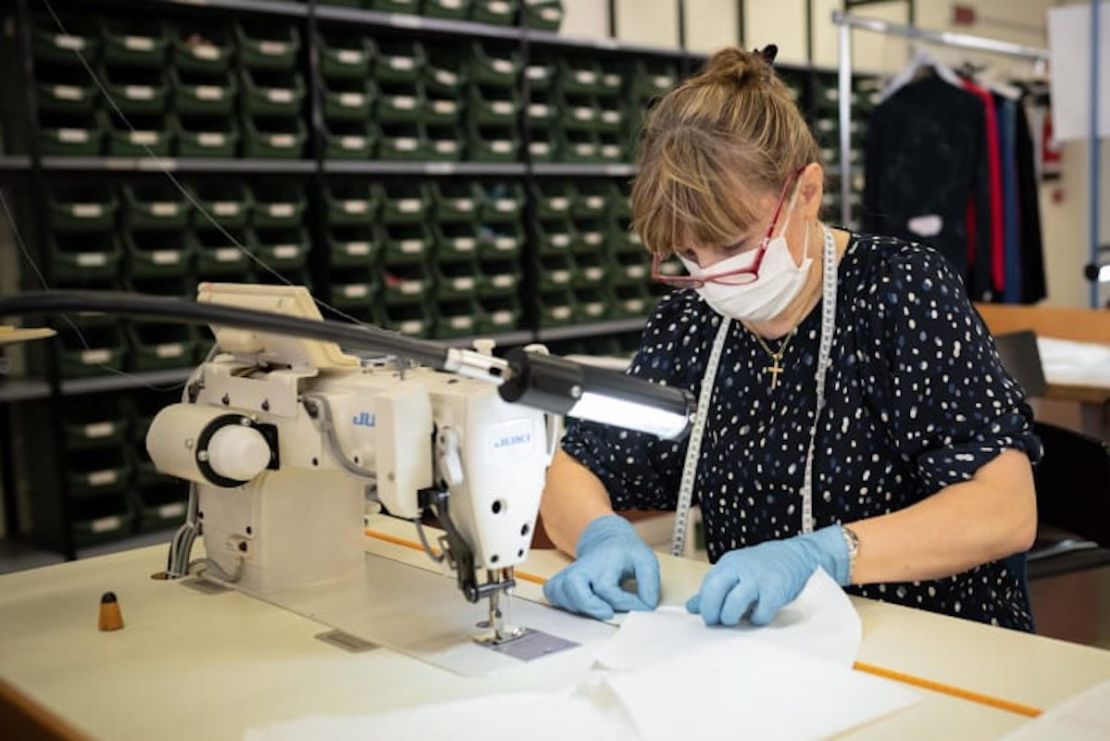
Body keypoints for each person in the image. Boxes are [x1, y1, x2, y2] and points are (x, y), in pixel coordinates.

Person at [539, 46, 1042, 632]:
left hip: (932, 640)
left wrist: (823, 554)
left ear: (806, 192)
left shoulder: (901, 292)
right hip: (771, 650)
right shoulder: (692, 324)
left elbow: (1005, 509)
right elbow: (574, 470)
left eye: (732, 247)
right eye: (687, 253)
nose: (712, 279)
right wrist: (600, 535)